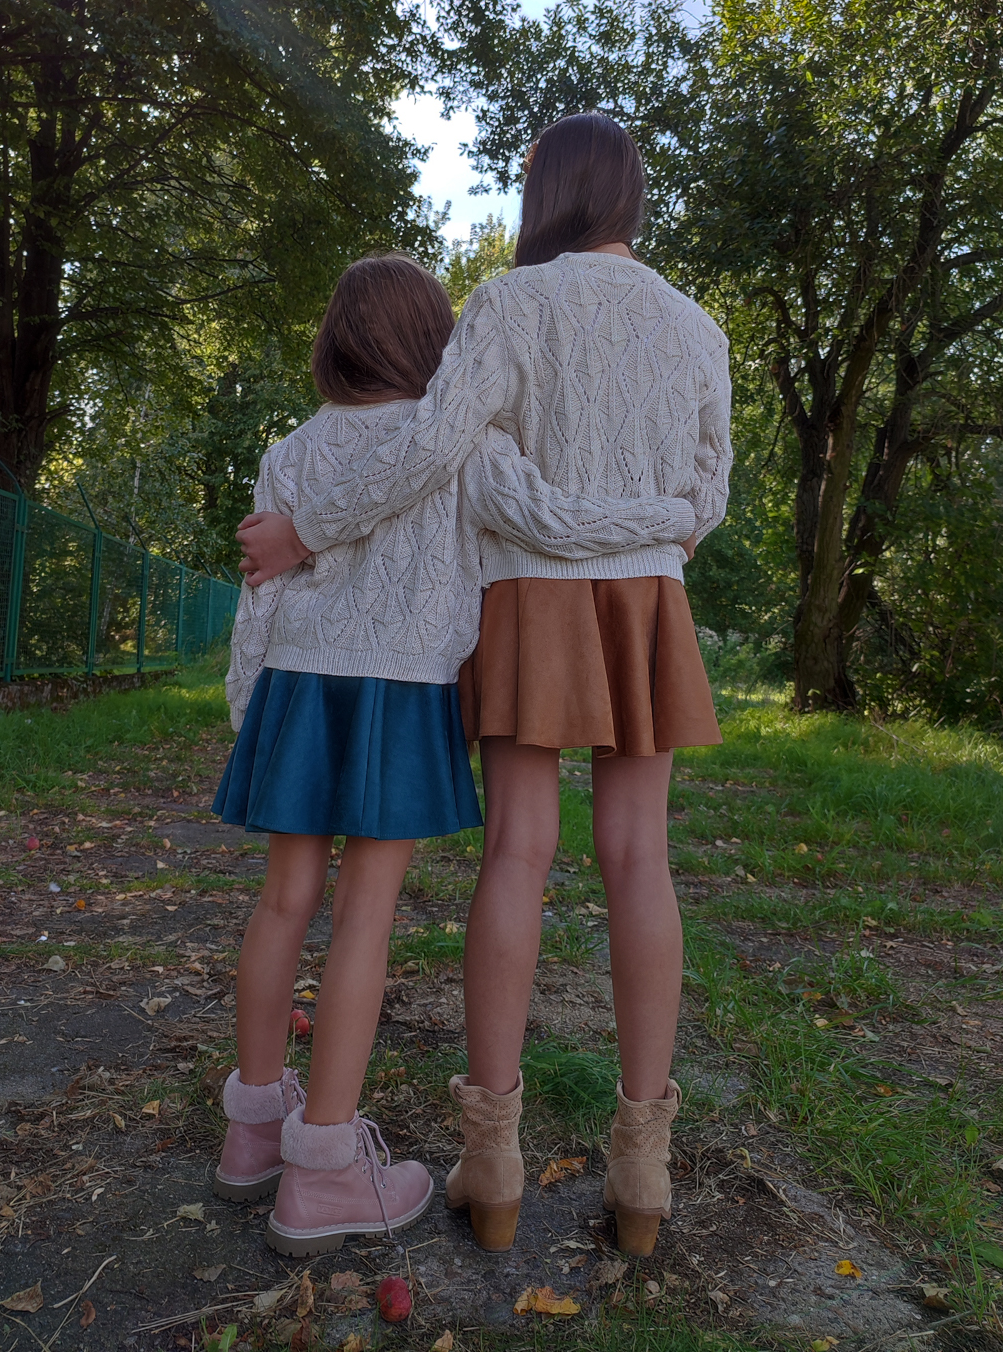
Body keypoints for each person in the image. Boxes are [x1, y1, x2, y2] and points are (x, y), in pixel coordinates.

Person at [234, 114, 731, 1257]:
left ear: (543, 193)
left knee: (518, 851)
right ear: (630, 195)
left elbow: (440, 454)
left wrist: (308, 528)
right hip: (649, 599)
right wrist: (644, 529)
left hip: (530, 597)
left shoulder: (509, 304)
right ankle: (643, 1165)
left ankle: (493, 1154)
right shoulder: (696, 325)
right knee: (640, 858)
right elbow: (704, 499)